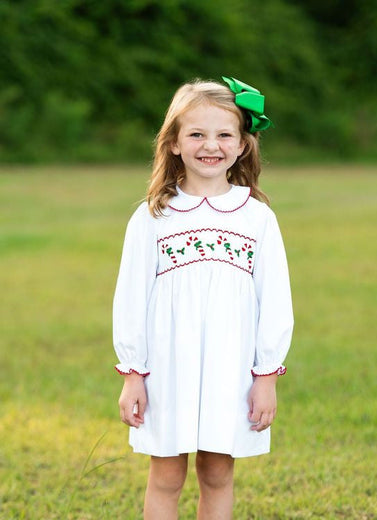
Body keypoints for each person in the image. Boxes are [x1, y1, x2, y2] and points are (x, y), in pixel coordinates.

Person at [113, 76, 294, 519]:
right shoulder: (153, 215)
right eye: (196, 133)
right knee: (166, 476)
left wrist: (265, 376)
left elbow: (275, 301)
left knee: (217, 472)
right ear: (174, 142)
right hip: (167, 367)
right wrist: (133, 373)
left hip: (230, 368)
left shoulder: (257, 217)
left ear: (241, 145)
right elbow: (131, 297)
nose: (209, 145)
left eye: (223, 134)